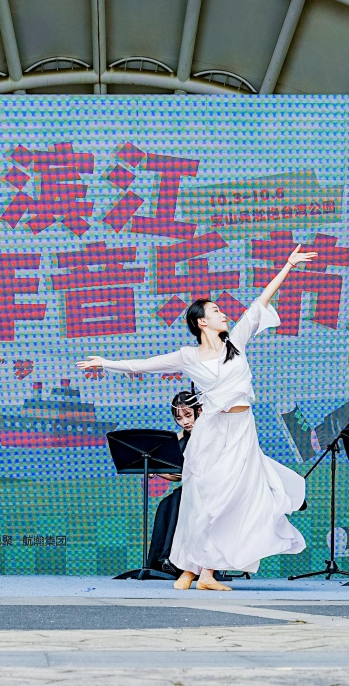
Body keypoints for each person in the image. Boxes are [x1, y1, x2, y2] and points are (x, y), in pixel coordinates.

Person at [78, 245, 314, 590]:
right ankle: (193, 570)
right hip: (211, 432)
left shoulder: (236, 342)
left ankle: (201, 572)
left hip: (241, 431)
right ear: (202, 321)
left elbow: (260, 302)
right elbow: (144, 365)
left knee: (234, 500)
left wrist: (288, 265)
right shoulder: (187, 356)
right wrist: (106, 363)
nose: (223, 314)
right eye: (216, 311)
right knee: (202, 500)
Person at [147, 391, 200, 576]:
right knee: (165, 504)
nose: (185, 422)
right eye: (179, 418)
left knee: (178, 500)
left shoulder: (208, 435)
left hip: (209, 488)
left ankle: (171, 558)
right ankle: (158, 562)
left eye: (188, 415)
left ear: (199, 411)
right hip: (190, 487)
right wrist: (156, 470)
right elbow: (179, 475)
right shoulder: (179, 438)